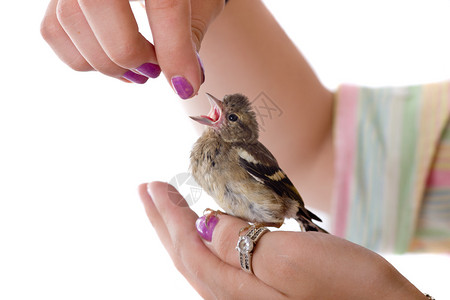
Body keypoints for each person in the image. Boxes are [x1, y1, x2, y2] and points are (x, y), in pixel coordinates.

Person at [41, 0, 447, 298]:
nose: (217, 114)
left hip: (282, 207)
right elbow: (324, 145)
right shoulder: (214, 151)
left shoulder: (245, 154)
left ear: (237, 131)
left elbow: (285, 189)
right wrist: (189, 18)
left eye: (230, 119)